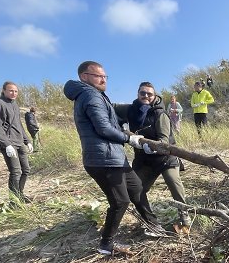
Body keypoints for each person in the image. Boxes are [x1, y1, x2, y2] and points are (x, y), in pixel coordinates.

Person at [63, 61, 164, 255]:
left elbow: (110, 120)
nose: (103, 79)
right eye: (98, 76)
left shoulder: (96, 95)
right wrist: (129, 138)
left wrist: (124, 128)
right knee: (120, 202)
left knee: (137, 189)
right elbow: (103, 128)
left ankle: (152, 224)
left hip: (115, 158)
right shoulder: (90, 95)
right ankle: (106, 244)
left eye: (105, 76)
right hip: (103, 160)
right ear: (84, 77)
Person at [114, 82, 190, 227]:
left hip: (165, 157)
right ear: (138, 94)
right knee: (135, 189)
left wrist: (151, 146)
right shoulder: (131, 109)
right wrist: (120, 126)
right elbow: (109, 106)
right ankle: (149, 220)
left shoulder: (160, 114)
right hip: (144, 160)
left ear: (154, 96)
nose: (146, 96)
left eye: (149, 94)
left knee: (174, 184)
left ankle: (184, 215)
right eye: (143, 93)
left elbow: (164, 140)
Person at [0, 81, 33, 203]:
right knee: (15, 171)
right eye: (11, 90)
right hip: (9, 143)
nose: (13, 93)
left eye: (16, 91)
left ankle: (20, 195)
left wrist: (27, 141)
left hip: (19, 142)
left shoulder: (15, 105)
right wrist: (7, 144)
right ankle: (14, 201)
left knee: (26, 170)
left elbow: (18, 125)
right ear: (4, 90)